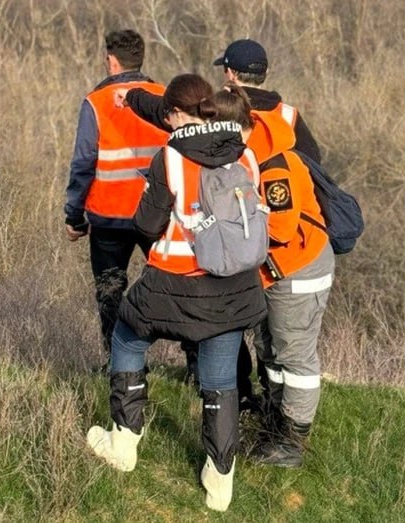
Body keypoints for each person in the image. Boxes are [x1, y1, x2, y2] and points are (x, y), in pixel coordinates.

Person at [118, 83, 334, 468]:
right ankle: (267, 426)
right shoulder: (239, 152)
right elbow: (174, 111)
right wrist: (133, 98)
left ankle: (292, 439)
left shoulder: (269, 161)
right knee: (268, 349)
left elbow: (281, 230)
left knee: (293, 353)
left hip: (296, 266)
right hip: (262, 272)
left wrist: (230, 229)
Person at [85, 74, 266, 512]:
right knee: (220, 382)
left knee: (127, 338)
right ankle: (219, 480)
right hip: (234, 285)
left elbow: (146, 225)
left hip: (174, 280)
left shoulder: (170, 157)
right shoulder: (246, 153)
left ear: (176, 115)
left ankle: (124, 442)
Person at [63, 30, 167, 369]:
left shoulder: (96, 102)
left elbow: (83, 163)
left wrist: (74, 215)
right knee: (175, 286)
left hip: (109, 214)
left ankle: (119, 364)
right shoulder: (165, 97)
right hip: (159, 214)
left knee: (110, 291)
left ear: (111, 60)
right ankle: (196, 364)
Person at [213, 38, 322, 164]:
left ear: (231, 73)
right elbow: (313, 161)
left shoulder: (219, 110)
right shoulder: (288, 115)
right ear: (266, 72)